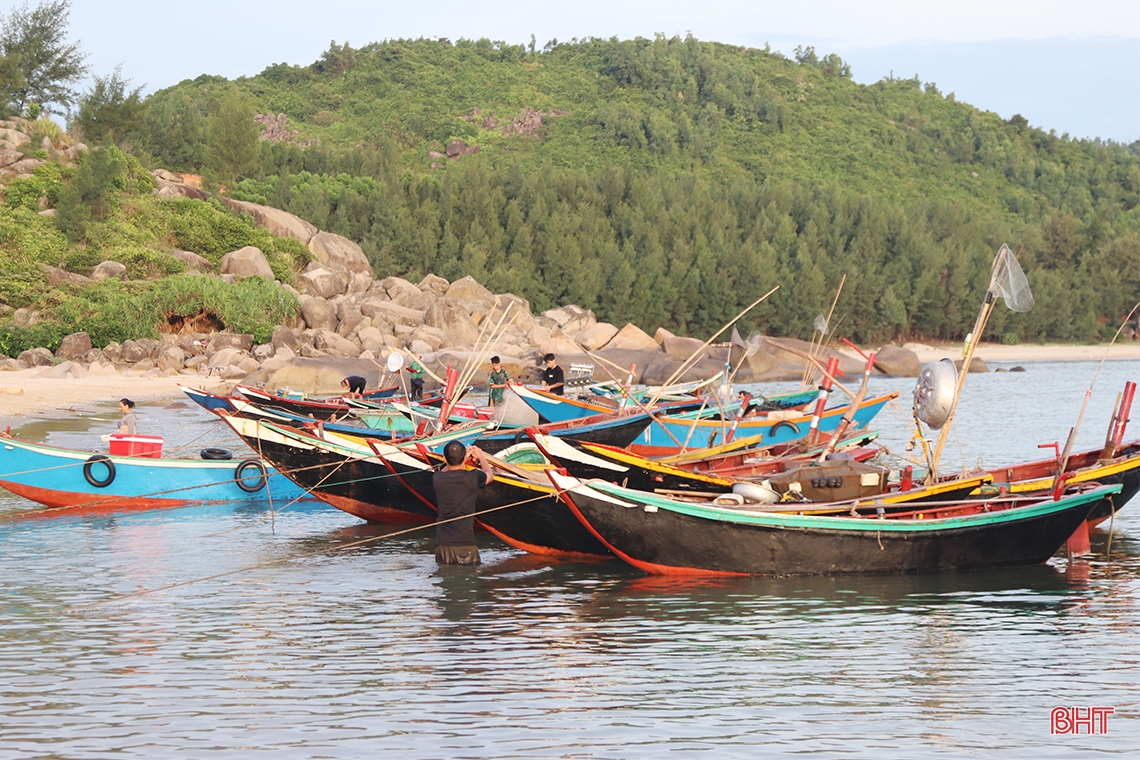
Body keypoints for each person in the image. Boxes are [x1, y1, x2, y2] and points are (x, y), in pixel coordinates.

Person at [432, 441, 494, 565]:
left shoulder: (437, 479)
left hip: (443, 545)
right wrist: (480, 455)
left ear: (444, 458)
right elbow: (490, 474)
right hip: (466, 544)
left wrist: (462, 458)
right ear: (464, 458)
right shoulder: (472, 477)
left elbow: (446, 470)